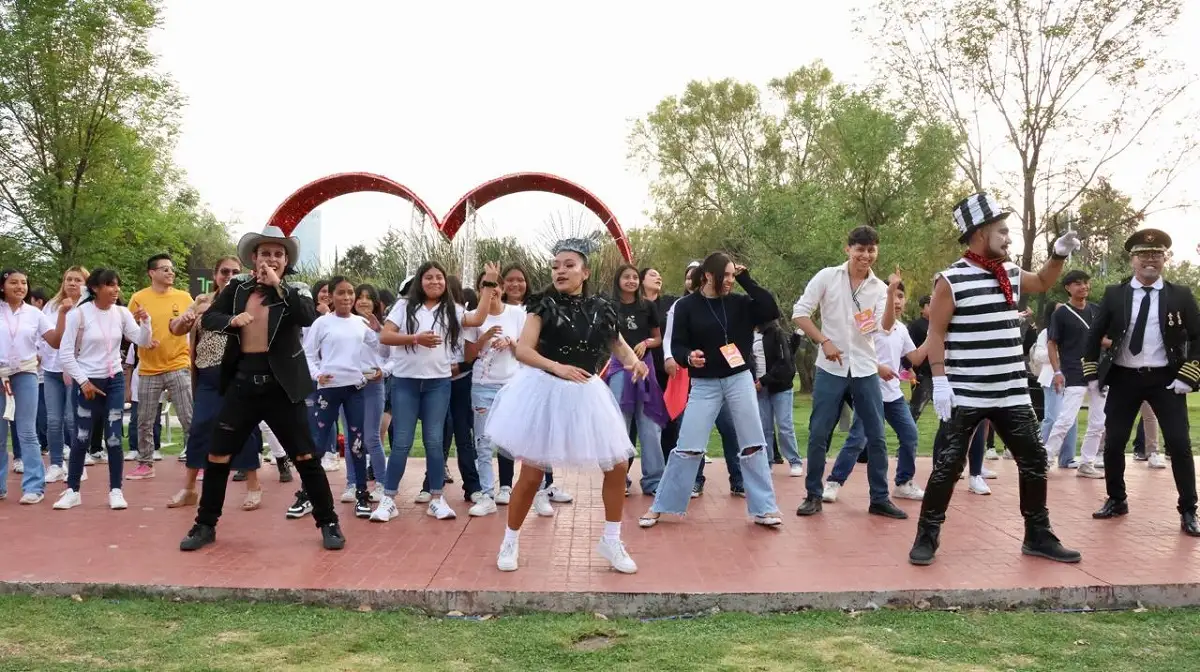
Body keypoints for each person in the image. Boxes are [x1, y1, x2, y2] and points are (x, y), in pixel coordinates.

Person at [909, 192, 1082, 566]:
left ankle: (1037, 535)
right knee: (948, 466)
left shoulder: (1011, 273)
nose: (1008, 238)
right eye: (1002, 231)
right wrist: (939, 381)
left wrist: (1058, 254)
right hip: (967, 392)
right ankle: (927, 535)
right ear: (980, 233)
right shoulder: (950, 280)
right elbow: (936, 334)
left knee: (1034, 461)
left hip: (1012, 392)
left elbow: (1043, 281)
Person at [483, 239, 646, 572]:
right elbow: (524, 350)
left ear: (585, 272)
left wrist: (632, 361)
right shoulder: (542, 304)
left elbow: (615, 342)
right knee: (531, 474)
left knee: (617, 465)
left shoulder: (602, 306)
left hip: (587, 393)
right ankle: (510, 541)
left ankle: (611, 540)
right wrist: (557, 367)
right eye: (556, 265)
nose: (560, 270)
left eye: (569, 265)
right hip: (545, 391)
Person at [179, 225, 344, 551]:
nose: (271, 259)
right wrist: (231, 321)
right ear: (254, 258)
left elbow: (307, 317)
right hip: (242, 384)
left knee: (305, 456)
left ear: (285, 260)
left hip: (282, 387)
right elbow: (210, 318)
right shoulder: (238, 288)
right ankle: (204, 525)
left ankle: (329, 523)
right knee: (218, 455)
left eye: (278, 254)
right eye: (265, 253)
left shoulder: (296, 289)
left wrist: (278, 287)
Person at [639, 252, 784, 529]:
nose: (729, 280)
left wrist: (746, 279)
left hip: (739, 379)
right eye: (725, 275)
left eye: (732, 275)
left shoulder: (742, 303)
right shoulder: (686, 306)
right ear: (707, 275)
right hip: (704, 384)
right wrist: (687, 357)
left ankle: (764, 508)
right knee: (688, 446)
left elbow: (770, 309)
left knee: (753, 442)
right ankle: (662, 505)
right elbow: (678, 344)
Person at [1085, 228, 1200, 537]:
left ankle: (1189, 509)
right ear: (1132, 259)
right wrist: (1092, 374)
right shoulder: (1114, 293)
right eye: (1143, 255)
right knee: (1114, 442)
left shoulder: (1181, 295)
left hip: (1165, 378)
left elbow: (1197, 337)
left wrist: (1189, 375)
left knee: (1178, 443)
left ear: (1164, 259)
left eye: (1156, 255)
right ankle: (1117, 499)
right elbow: (1094, 335)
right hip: (1124, 376)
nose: (1150, 260)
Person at [792, 226, 907, 519]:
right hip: (831, 367)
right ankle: (813, 495)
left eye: (871, 250)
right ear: (848, 249)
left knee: (876, 435)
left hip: (865, 368)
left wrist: (893, 292)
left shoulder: (880, 288)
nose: (865, 256)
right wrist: (824, 341)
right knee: (819, 432)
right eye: (860, 249)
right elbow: (800, 313)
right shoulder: (827, 276)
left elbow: (885, 327)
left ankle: (879, 498)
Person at [368, 262, 494, 523]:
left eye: (439, 278)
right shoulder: (404, 306)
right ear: (419, 281)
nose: (435, 282)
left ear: (445, 283)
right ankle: (388, 499)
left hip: (438, 383)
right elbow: (385, 337)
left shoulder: (452, 309)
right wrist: (415, 338)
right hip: (406, 382)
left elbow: (478, 318)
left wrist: (489, 286)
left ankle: (437, 498)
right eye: (428, 277)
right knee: (401, 441)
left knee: (435, 442)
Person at [169, 256, 274, 511]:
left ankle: (253, 486)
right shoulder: (203, 302)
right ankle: (190, 488)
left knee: (243, 429)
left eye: (235, 272)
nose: (229, 275)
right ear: (215, 275)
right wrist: (184, 321)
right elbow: (175, 329)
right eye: (224, 271)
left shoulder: (249, 300)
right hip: (205, 375)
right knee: (199, 428)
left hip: (236, 374)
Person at [53, 268, 152, 510]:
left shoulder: (121, 313)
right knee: (82, 437)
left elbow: (143, 341)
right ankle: (72, 490)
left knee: (115, 437)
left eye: (117, 285)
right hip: (88, 382)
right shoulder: (79, 315)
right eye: (110, 285)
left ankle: (116, 490)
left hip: (114, 380)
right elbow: (65, 353)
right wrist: (83, 382)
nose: (116, 289)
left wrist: (146, 322)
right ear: (95, 288)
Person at [823, 280, 927, 503]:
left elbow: (916, 357)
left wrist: (936, 333)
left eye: (900, 296)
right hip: (869, 392)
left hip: (894, 396)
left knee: (910, 436)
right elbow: (854, 353)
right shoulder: (866, 321)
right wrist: (878, 369)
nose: (896, 301)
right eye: (892, 295)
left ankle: (903, 483)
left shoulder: (902, 329)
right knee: (858, 440)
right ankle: (833, 482)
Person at [304, 275, 382, 519]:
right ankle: (307, 494)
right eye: (341, 293)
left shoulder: (361, 323)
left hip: (355, 390)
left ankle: (361, 494)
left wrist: (381, 367)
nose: (347, 297)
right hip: (328, 390)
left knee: (357, 443)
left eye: (350, 293)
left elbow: (380, 347)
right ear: (332, 296)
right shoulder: (322, 324)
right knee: (317, 441)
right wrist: (317, 374)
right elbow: (307, 353)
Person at [0, 269, 69, 503]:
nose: (20, 287)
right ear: (2, 286)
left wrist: (62, 315)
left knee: (26, 430)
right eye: (13, 283)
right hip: (0, 375)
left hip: (25, 374)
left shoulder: (34, 314)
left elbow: (56, 341)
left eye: (23, 283)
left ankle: (34, 486)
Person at [463, 270, 527, 517]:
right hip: (482, 385)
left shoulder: (517, 314)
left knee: (509, 440)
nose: (492, 291)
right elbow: (468, 356)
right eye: (485, 286)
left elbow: (527, 349)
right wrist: (485, 338)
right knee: (483, 441)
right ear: (480, 290)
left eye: (495, 285)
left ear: (501, 288)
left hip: (512, 385)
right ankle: (486, 494)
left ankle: (509, 487)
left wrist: (510, 342)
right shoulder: (473, 319)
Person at [127, 254, 195, 479]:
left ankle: (198, 460)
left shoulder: (184, 297)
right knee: (144, 420)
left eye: (171, 269)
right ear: (151, 273)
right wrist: (138, 326)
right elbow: (129, 331)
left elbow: (195, 326)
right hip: (148, 368)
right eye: (164, 269)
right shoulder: (138, 298)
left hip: (178, 364)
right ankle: (145, 463)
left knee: (188, 417)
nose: (170, 273)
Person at [603, 263, 666, 496]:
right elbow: (607, 338)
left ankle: (654, 480)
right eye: (626, 277)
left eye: (634, 277)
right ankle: (619, 478)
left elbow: (657, 338)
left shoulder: (648, 307)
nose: (631, 281)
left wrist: (646, 343)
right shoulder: (609, 307)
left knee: (649, 424)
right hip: (620, 367)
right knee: (620, 423)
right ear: (618, 281)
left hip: (646, 368)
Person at [1044, 270, 1105, 478]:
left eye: (1086, 282)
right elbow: (1052, 343)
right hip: (1073, 370)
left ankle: (1087, 463)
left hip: (1098, 370)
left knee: (1098, 421)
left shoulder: (1097, 310)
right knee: (1065, 419)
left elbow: (1104, 339)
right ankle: (1046, 458)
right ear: (1067, 288)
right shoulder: (1061, 313)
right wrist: (1057, 371)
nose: (1084, 287)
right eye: (1078, 283)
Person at [40, 267, 88, 481]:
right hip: (52, 369)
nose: (72, 283)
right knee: (53, 420)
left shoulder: (90, 307)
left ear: (86, 284)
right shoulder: (51, 305)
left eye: (78, 279)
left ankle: (78, 463)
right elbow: (48, 338)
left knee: (72, 419)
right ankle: (56, 464)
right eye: (68, 279)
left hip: (77, 370)